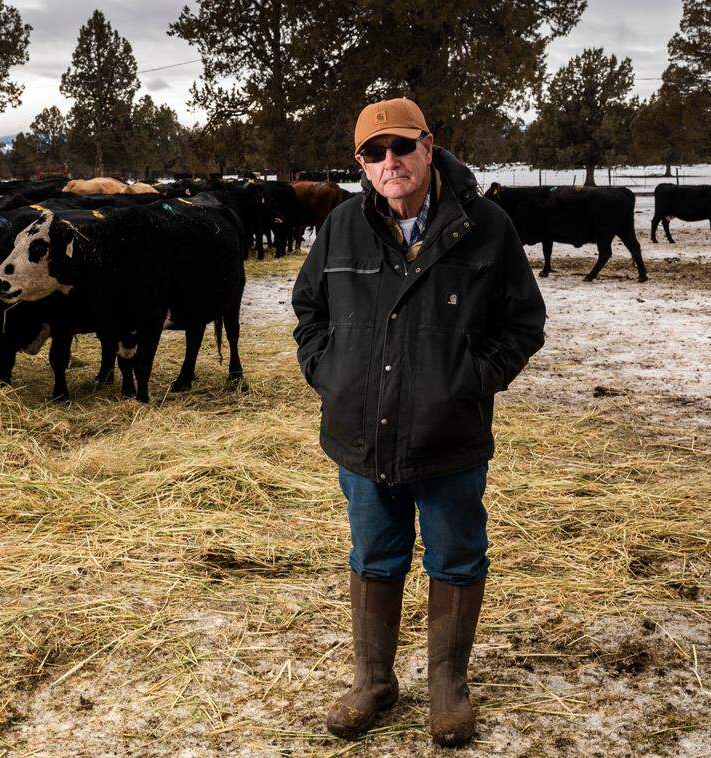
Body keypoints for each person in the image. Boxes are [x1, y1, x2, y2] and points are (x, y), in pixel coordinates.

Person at [291, 98, 546, 746]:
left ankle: (446, 687)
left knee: (456, 557)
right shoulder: (343, 226)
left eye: (401, 147)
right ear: (360, 164)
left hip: (449, 437)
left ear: (429, 148)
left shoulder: (484, 226)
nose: (389, 162)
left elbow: (523, 323)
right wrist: (330, 373)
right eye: (373, 154)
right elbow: (309, 312)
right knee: (375, 554)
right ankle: (373, 681)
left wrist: (469, 381)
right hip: (360, 432)